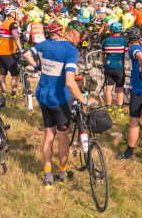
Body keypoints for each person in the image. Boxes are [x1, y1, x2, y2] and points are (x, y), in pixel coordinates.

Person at [22, 20, 96, 188]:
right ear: (71, 33)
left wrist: (37, 67)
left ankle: (47, 175)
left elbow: (27, 54)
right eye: (79, 36)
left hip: (43, 95)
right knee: (62, 136)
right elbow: (70, 82)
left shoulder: (46, 44)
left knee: (49, 135)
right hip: (60, 98)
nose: (80, 40)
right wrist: (85, 100)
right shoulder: (71, 50)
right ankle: (62, 173)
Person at [116, 27, 142, 160]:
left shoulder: (134, 49)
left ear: (128, 38)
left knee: (134, 122)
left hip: (139, 89)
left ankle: (128, 152)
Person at [0, 6, 24, 97]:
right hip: (7, 52)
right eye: (17, 13)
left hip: (0, 51)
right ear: (12, 14)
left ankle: (1, 94)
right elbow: (15, 36)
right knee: (15, 74)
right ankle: (13, 94)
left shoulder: (4, 22)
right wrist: (20, 49)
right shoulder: (12, 23)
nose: (19, 15)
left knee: (3, 74)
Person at [101, 21, 127, 113]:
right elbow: (127, 52)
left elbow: (102, 55)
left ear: (111, 31)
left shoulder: (106, 41)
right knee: (120, 90)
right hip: (120, 68)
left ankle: (109, 107)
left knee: (109, 89)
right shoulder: (124, 40)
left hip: (109, 67)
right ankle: (119, 108)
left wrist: (104, 64)